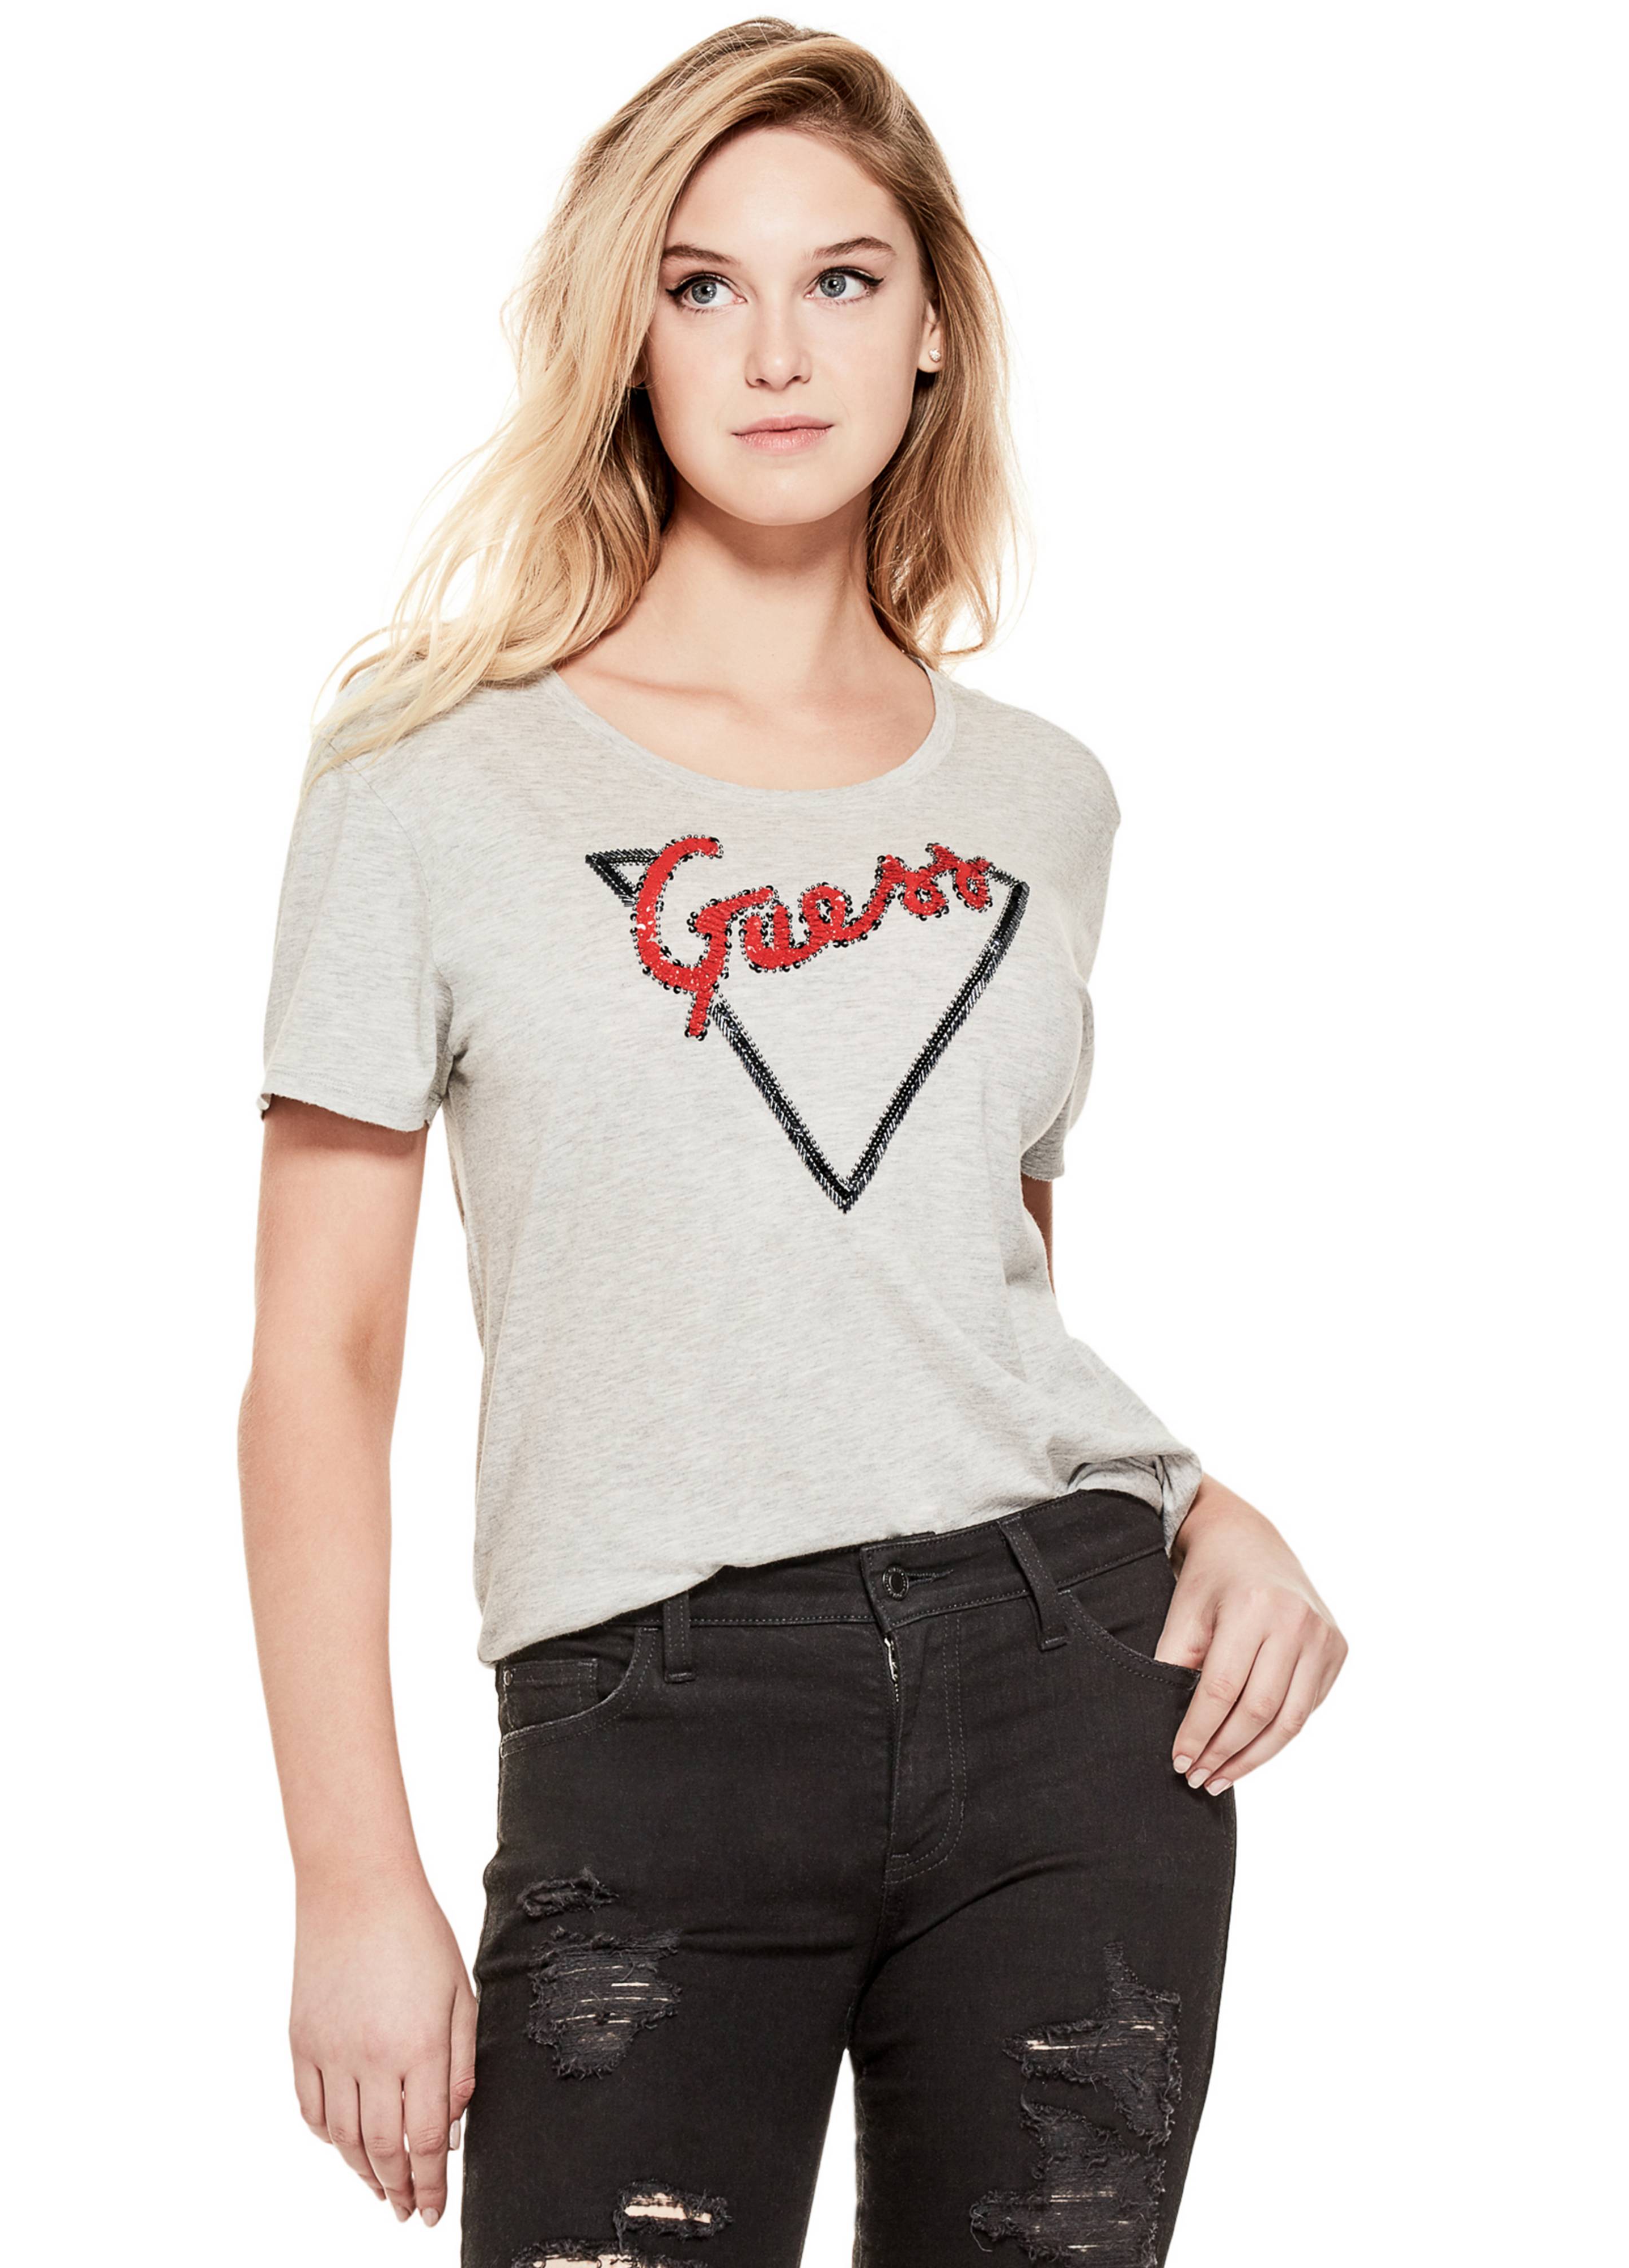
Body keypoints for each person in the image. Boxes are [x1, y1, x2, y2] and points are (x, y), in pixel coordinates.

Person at [239, 20, 1347, 2264]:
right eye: (702, 284)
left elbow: (965, 1285)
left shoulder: (1039, 798)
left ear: (930, 327)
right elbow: (316, 1368)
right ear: (624, 333)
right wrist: (351, 1880)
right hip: (650, 1716)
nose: (775, 351)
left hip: (1067, 1703)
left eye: (841, 279)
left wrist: (1197, 1504)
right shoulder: (429, 770)